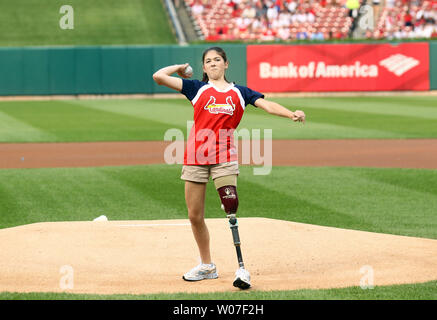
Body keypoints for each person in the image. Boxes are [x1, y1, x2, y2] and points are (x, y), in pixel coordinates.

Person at [152, 47, 305, 288]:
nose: (213, 64)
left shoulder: (240, 92)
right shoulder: (195, 88)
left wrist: (291, 114)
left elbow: (267, 105)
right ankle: (207, 266)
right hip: (195, 157)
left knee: (230, 207)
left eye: (217, 60)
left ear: (226, 64)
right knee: (194, 216)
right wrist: (180, 68)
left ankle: (242, 269)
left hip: (224, 157)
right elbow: (159, 77)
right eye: (208, 61)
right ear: (203, 67)